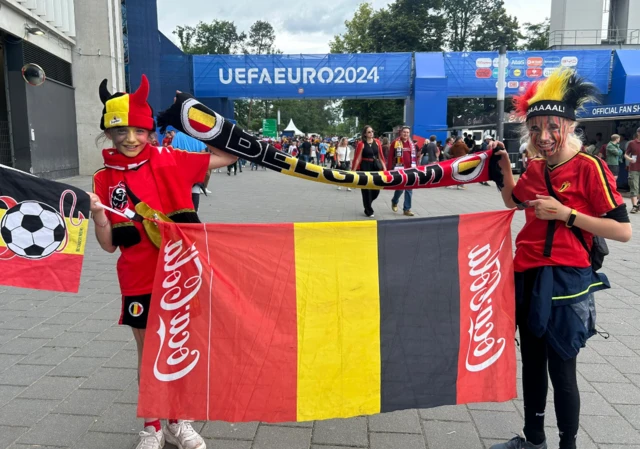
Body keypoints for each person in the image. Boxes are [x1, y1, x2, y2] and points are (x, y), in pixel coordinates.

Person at [89, 76, 237, 449]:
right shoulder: (103, 179)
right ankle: (152, 426)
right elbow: (108, 246)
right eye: (120, 130)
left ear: (150, 130)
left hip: (179, 275)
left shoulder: (171, 159)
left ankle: (178, 422)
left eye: (139, 129)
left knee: (177, 348)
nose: (130, 138)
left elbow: (232, 154)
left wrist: (194, 115)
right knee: (148, 353)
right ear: (109, 133)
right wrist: (96, 215)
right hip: (137, 277)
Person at [490, 68, 632, 449]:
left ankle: (567, 444)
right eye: (535, 128)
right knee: (532, 364)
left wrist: (566, 214)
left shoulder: (591, 168)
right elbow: (514, 201)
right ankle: (533, 439)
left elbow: (622, 231)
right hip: (527, 276)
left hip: (567, 281)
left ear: (569, 126)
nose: (544, 137)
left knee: (562, 368)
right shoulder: (535, 168)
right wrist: (503, 169)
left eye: (553, 127)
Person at [353, 125, 387, 217]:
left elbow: (380, 156)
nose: (371, 133)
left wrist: (384, 168)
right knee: (366, 190)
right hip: (365, 167)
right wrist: (354, 170)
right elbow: (358, 157)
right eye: (369, 132)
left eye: (372, 131)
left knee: (376, 189)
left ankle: (367, 203)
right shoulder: (361, 144)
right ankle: (369, 210)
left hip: (375, 167)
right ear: (365, 134)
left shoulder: (377, 142)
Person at [171, 131, 208, 212]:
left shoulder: (178, 135)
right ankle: (195, 214)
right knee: (195, 193)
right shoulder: (198, 135)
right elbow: (203, 153)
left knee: (181, 198)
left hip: (181, 171)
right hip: (195, 171)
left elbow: (172, 152)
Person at [387, 126, 417, 216]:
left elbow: (415, 157)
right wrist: (388, 171)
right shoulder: (395, 143)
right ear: (401, 133)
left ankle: (406, 209)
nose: (406, 134)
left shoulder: (411, 144)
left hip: (410, 170)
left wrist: (417, 168)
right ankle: (394, 201)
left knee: (409, 189)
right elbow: (390, 157)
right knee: (400, 189)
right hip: (399, 170)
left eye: (407, 132)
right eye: (404, 132)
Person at [624, 128, 640, 213]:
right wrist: (629, 159)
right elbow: (626, 154)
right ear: (638, 133)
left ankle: (638, 204)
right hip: (634, 168)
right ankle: (634, 206)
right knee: (634, 186)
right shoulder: (632, 143)